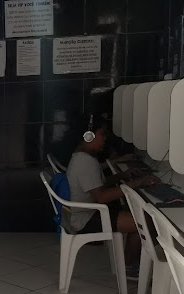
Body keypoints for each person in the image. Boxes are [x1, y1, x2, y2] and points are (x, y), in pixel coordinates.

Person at [64, 115, 156, 277]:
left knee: (136, 213)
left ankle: (131, 261)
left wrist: (123, 176)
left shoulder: (81, 157)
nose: (105, 139)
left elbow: (98, 184)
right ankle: (127, 266)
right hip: (86, 219)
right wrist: (135, 183)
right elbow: (102, 197)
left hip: (87, 212)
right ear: (88, 136)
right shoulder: (85, 161)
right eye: (102, 134)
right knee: (144, 222)